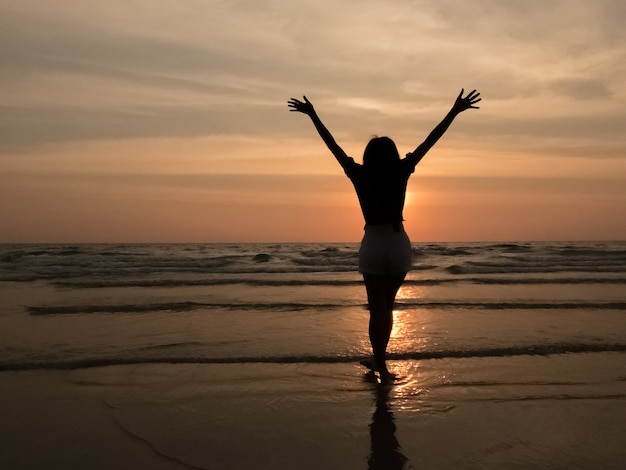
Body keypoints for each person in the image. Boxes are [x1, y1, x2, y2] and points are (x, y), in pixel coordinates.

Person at [288, 89, 481, 381]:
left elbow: (333, 146)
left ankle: (381, 363)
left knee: (377, 309)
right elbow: (431, 140)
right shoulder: (401, 170)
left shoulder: (359, 174)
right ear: (392, 155)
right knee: (386, 308)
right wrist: (454, 111)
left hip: (374, 242)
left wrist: (313, 114)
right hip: (398, 241)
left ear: (369, 156)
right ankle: (380, 360)